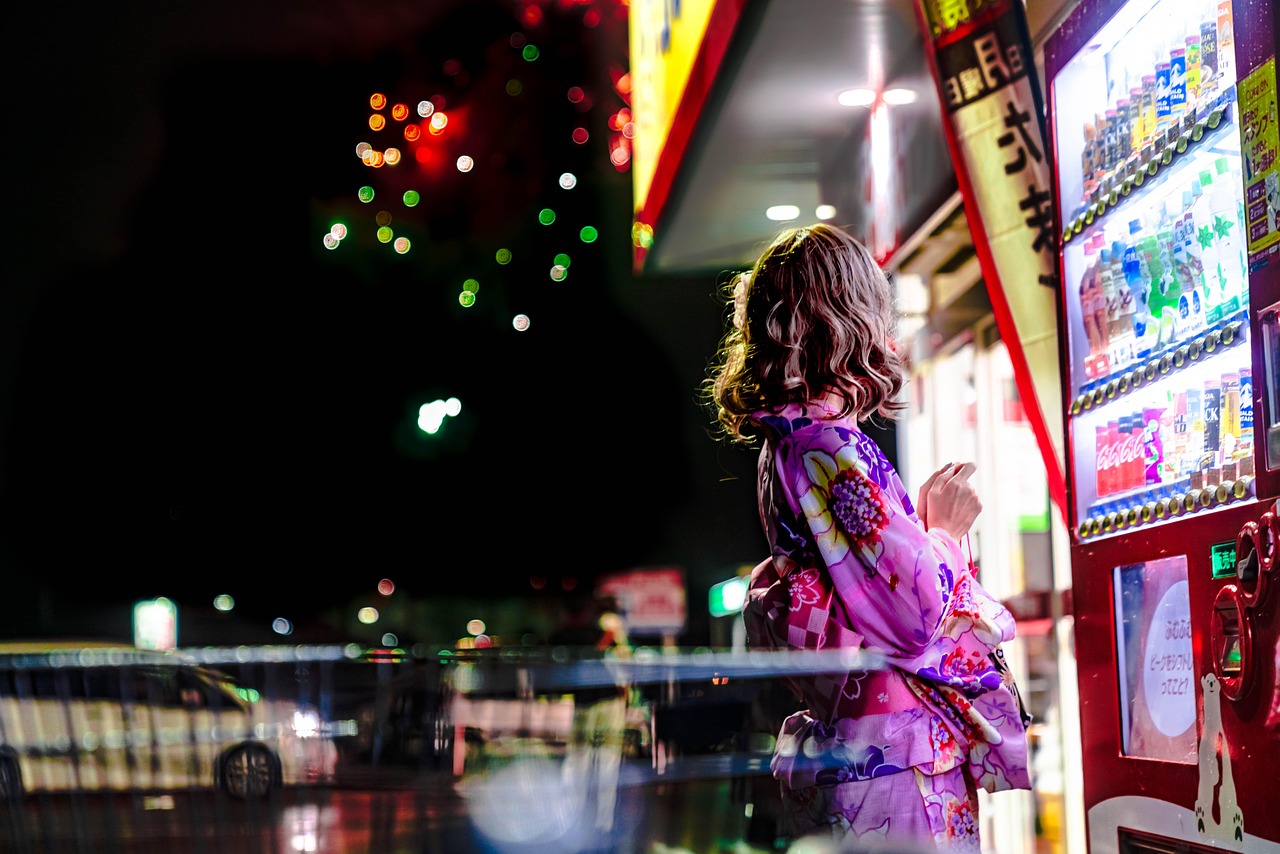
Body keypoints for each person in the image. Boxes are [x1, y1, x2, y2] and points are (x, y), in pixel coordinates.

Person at [703, 224, 1031, 851]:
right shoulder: (832, 447)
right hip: (897, 758)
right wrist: (946, 529)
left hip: (853, 748)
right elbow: (915, 614)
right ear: (850, 313)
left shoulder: (789, 442)